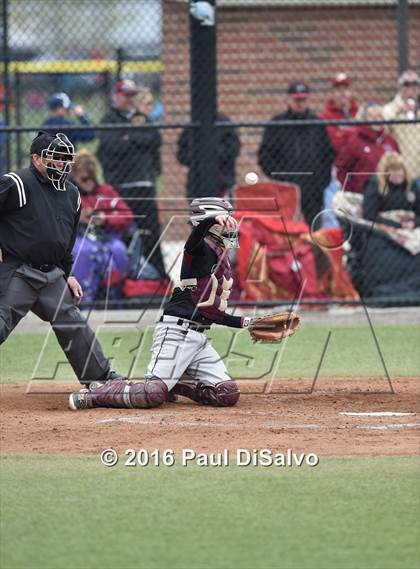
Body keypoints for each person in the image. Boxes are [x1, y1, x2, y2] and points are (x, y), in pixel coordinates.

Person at [68, 197, 246, 410]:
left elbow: (212, 314)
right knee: (151, 395)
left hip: (197, 338)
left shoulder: (219, 255)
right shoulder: (198, 251)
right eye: (225, 219)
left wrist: (248, 323)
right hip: (175, 332)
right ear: (210, 221)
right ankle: (97, 392)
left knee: (226, 394)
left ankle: (177, 382)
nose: (230, 224)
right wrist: (210, 221)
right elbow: (193, 242)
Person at [0, 131, 123, 386]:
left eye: (64, 158)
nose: (61, 164)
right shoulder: (17, 182)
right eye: (54, 158)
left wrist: (69, 274)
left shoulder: (72, 194)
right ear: (36, 159)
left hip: (52, 274)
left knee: (72, 323)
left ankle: (99, 378)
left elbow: (65, 242)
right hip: (18, 270)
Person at [97, 80, 166, 278]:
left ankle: (159, 277)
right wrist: (135, 139)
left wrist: (129, 137)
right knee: (124, 232)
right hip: (121, 187)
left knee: (151, 233)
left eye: (132, 95)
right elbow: (112, 147)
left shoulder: (141, 117)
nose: (129, 99)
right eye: (125, 95)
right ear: (116, 96)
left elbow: (154, 140)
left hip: (145, 185)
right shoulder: (108, 119)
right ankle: (125, 278)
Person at [258, 81, 334, 226]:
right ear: (288, 99)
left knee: (314, 228)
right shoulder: (277, 124)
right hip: (286, 188)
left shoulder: (317, 124)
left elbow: (328, 155)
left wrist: (322, 182)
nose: (300, 103)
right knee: (286, 227)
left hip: (313, 189)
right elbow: (265, 156)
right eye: (296, 100)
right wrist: (280, 178)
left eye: (303, 100)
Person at [70, 150, 133, 305]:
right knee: (83, 252)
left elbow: (127, 216)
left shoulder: (106, 191)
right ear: (74, 176)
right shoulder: (68, 193)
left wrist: (104, 219)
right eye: (84, 179)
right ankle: (82, 300)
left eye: (92, 178)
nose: (89, 183)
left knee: (118, 250)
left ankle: (113, 297)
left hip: (105, 235)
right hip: (77, 236)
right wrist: (78, 219)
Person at [320, 73, 359, 227]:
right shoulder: (325, 116)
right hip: (334, 170)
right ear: (332, 93)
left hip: (356, 168)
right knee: (333, 208)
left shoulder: (359, 114)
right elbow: (331, 143)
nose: (342, 93)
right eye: (338, 89)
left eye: (346, 89)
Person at [335, 103, 399, 194]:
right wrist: (351, 189)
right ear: (364, 118)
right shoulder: (355, 141)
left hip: (388, 194)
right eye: (372, 117)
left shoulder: (390, 141)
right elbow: (341, 168)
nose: (377, 120)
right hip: (362, 194)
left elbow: (398, 165)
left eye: (379, 116)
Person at [177, 113, 240, 200]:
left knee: (222, 209)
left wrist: (213, 156)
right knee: (200, 210)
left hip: (222, 181)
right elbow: (181, 155)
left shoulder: (224, 124)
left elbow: (233, 150)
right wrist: (198, 158)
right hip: (197, 183)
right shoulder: (193, 124)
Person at [363, 151, 420, 227]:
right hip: (385, 226)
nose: (397, 174)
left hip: (410, 226)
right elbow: (369, 214)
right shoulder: (375, 185)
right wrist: (398, 225)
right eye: (392, 170)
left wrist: (414, 223)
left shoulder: (411, 185)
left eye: (399, 169)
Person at [383, 70, 420, 177]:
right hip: (401, 168)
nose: (410, 90)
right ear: (400, 88)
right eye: (406, 86)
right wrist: (398, 112)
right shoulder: (389, 109)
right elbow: (383, 131)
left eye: (414, 86)